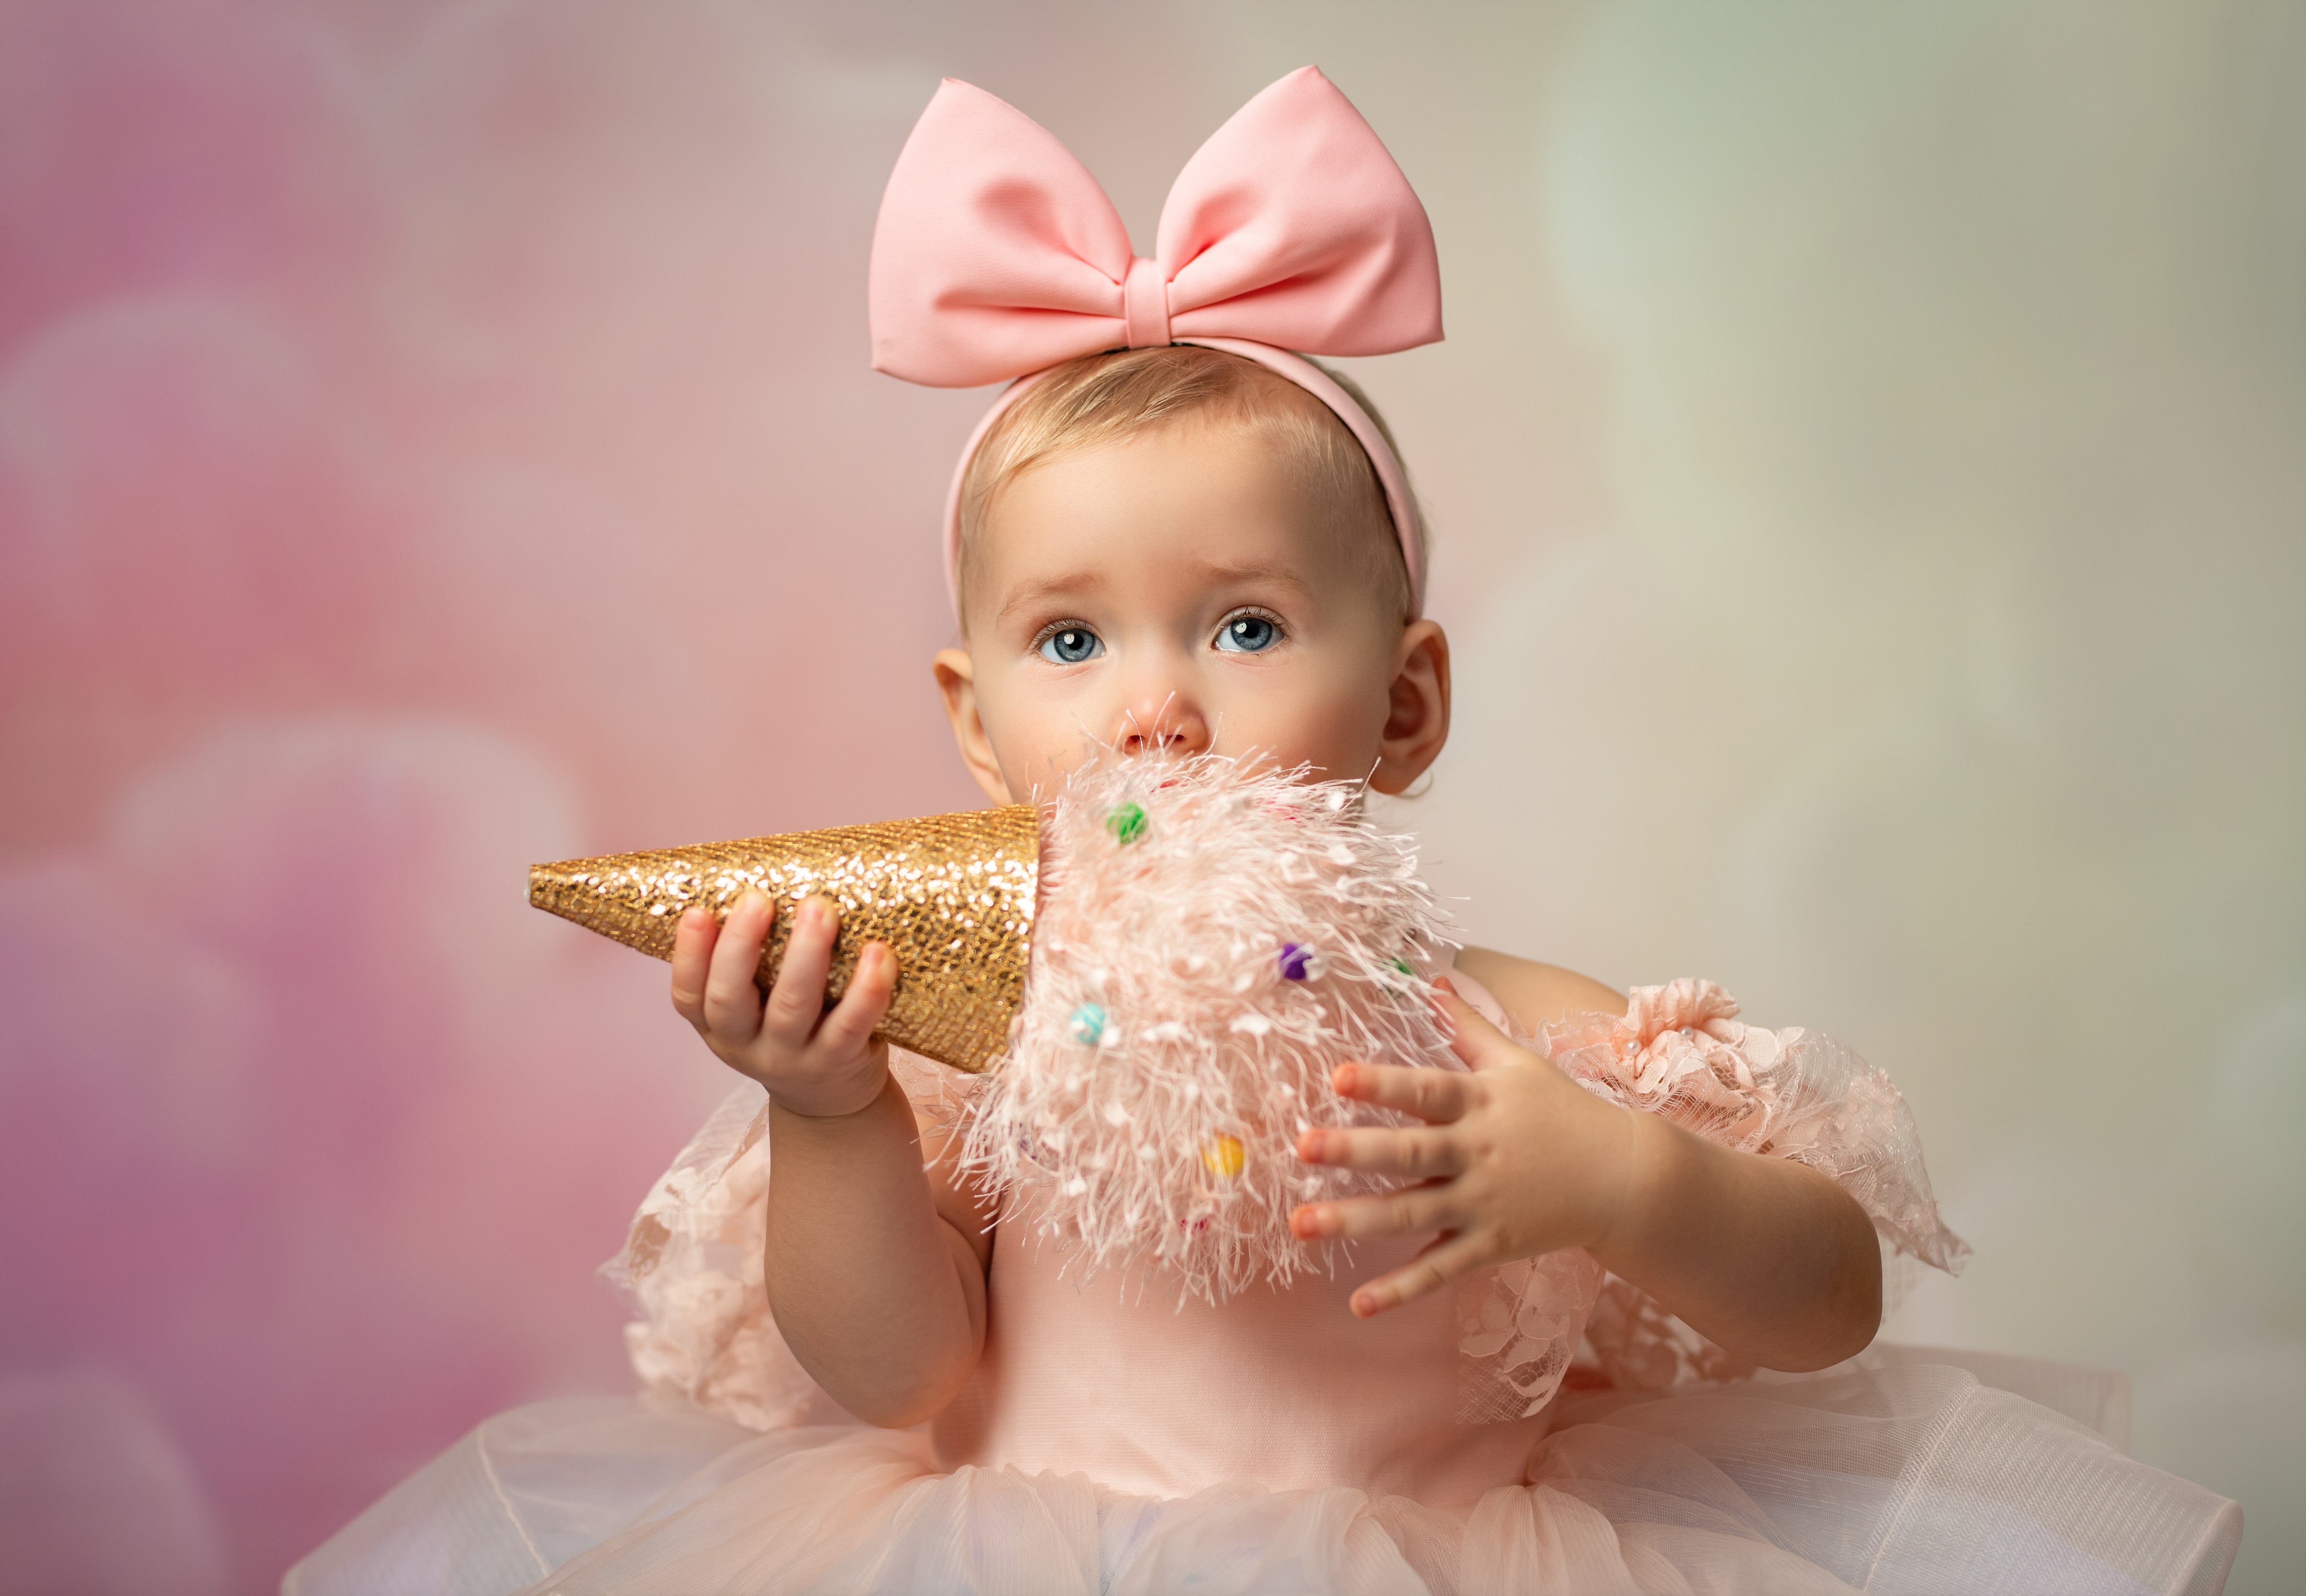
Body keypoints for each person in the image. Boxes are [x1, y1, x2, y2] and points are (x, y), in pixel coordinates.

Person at [287, 68, 2241, 1596]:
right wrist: (833, 1114)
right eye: (1071, 637)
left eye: (1244, 623)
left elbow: (1832, 1304)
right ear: (977, 725)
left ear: (1406, 705)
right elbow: (898, 1379)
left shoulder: (1492, 1032)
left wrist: (1617, 1179)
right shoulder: (978, 1039)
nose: (1156, 699)